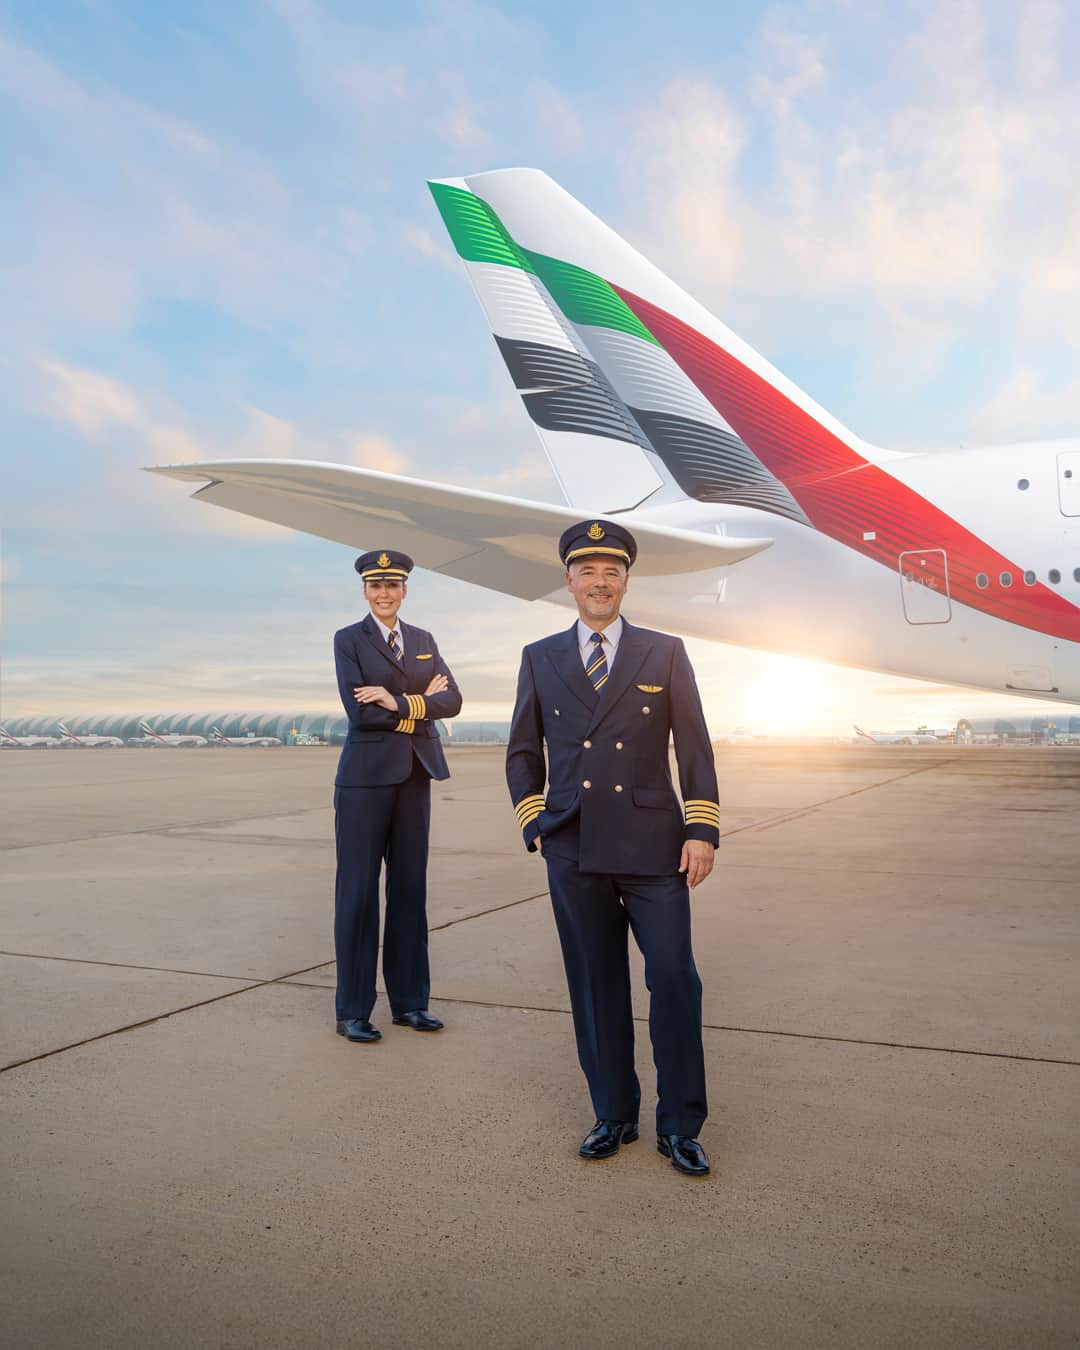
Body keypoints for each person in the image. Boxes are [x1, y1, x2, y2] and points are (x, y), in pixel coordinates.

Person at [506, 520, 719, 1176]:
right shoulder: (540, 657)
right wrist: (534, 818)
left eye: (612, 572)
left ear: (626, 580)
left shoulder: (664, 652)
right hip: (573, 846)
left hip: (655, 846)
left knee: (675, 980)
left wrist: (701, 828)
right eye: (587, 572)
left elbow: (694, 746)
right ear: (569, 581)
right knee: (596, 986)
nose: (600, 583)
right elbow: (522, 749)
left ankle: (680, 1124)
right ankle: (613, 1114)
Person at [332, 549, 462, 1043]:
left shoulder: (424, 639)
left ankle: (410, 1003)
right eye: (375, 586)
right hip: (365, 780)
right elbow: (361, 712)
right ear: (365, 592)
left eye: (393, 585)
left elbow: (454, 699)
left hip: (415, 775)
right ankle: (353, 1010)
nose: (384, 593)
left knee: (410, 890)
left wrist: (397, 700)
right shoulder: (350, 640)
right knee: (359, 892)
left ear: (404, 590)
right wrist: (422, 704)